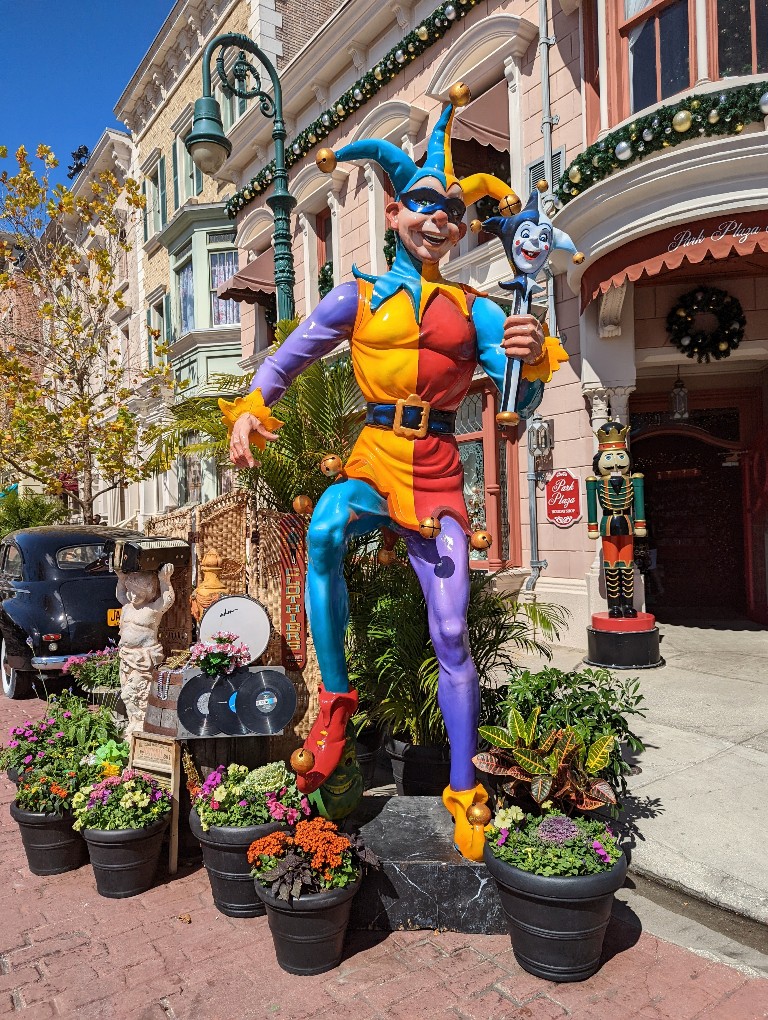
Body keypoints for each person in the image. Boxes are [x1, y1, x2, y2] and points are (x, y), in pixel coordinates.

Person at [221, 87, 568, 860]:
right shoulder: (359, 296)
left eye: (450, 208)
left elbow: (521, 397)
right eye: (421, 203)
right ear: (393, 214)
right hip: (376, 460)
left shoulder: (476, 309)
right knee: (327, 525)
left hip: (440, 470)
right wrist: (251, 406)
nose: (437, 218)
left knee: (451, 631)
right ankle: (337, 700)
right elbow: (288, 356)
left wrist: (528, 355)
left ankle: (463, 786)